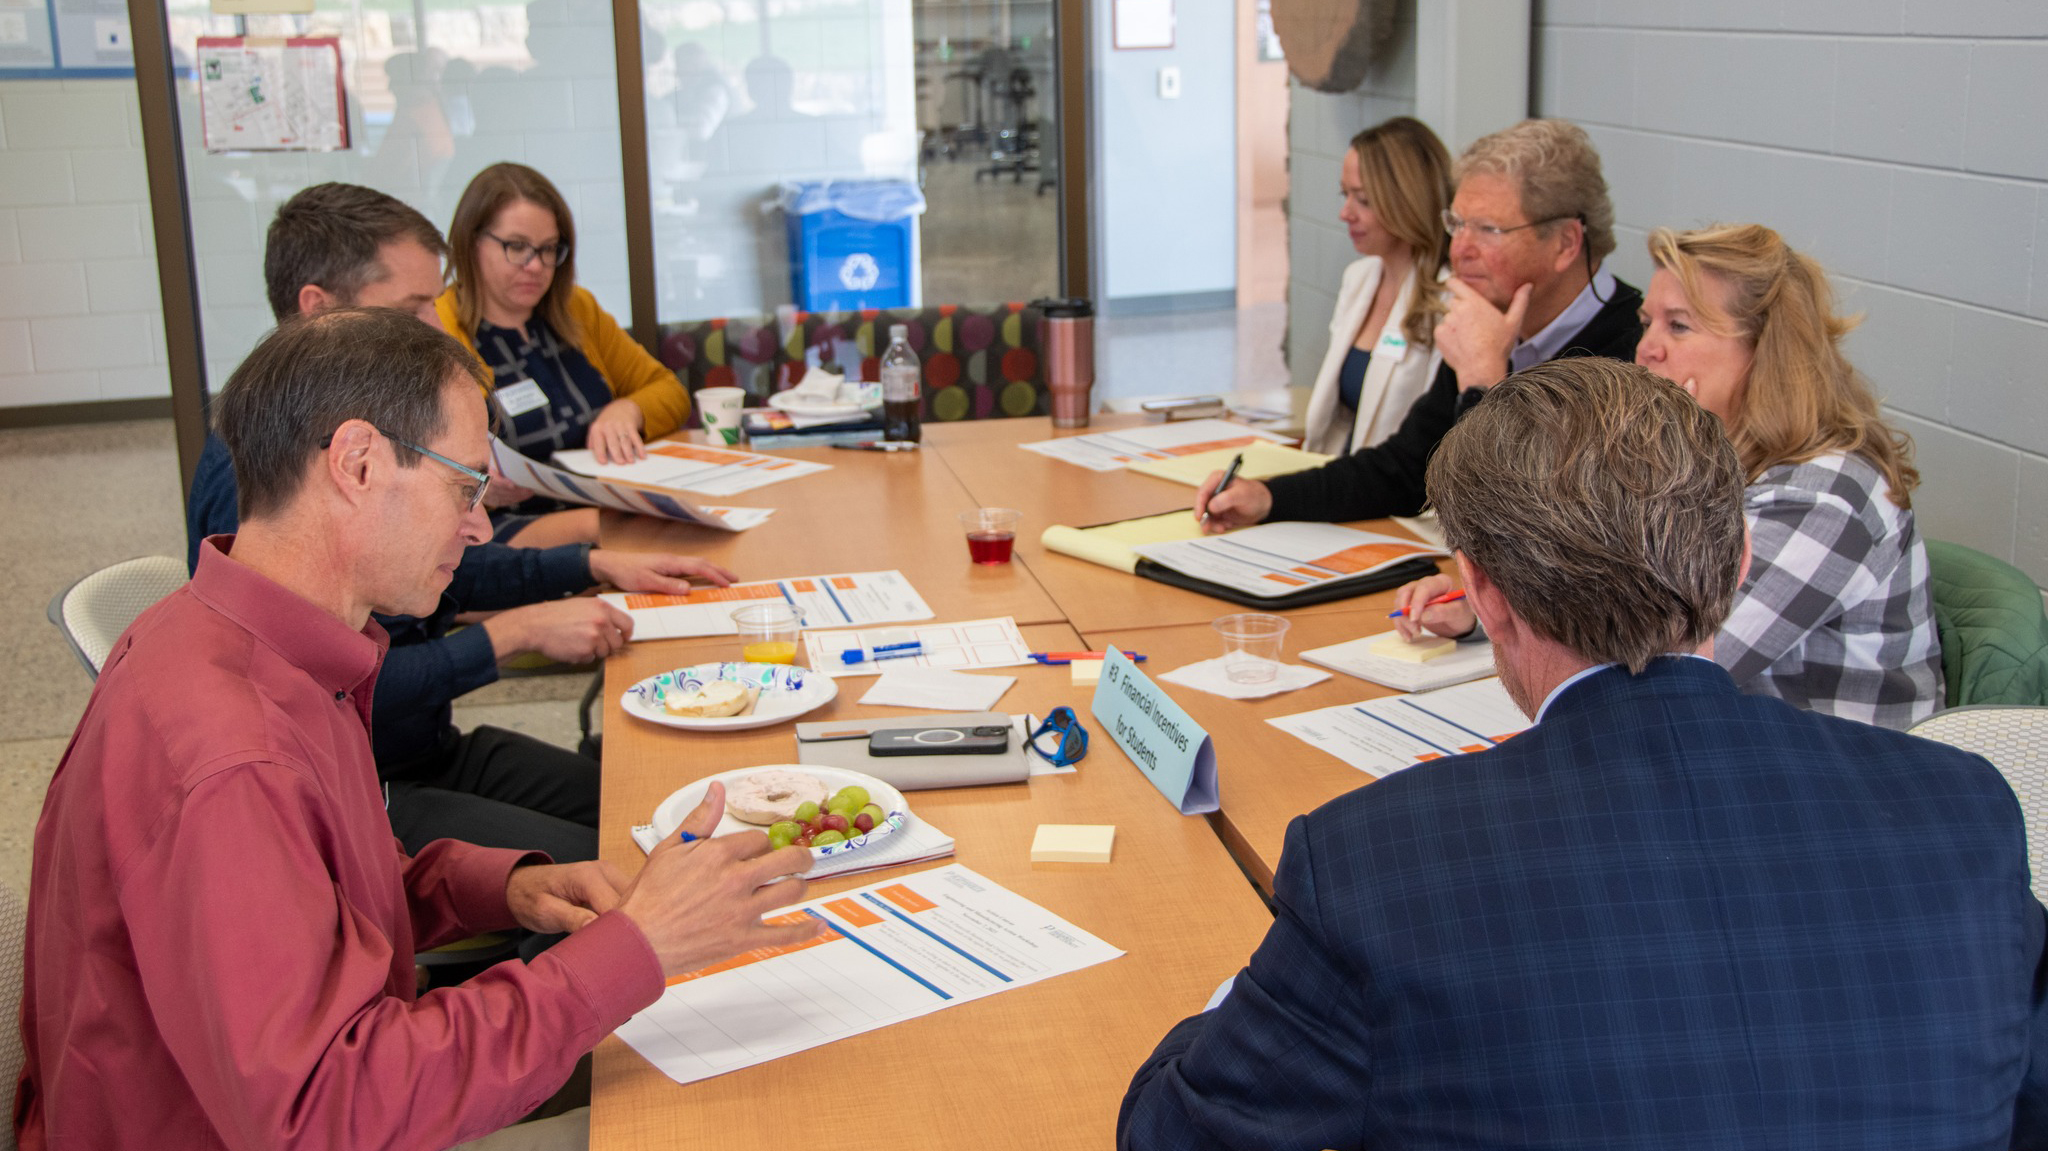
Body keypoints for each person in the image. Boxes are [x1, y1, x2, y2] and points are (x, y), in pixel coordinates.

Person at [1120, 358, 2048, 1150]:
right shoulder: (1965, 807)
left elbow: (1172, 1130)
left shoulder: (1379, 870)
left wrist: (1251, 992)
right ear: (1738, 563)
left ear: (1482, 593)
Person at [18, 307, 822, 1150]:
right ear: (359, 463)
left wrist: (493, 887)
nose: (477, 524)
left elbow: (316, 901)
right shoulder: (233, 753)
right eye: (464, 483)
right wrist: (638, 946)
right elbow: (327, 1112)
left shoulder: (237, 638)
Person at [185, 182, 733, 863]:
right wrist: (508, 636)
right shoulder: (269, 467)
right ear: (318, 309)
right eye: (413, 307)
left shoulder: (342, 426)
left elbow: (431, 565)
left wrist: (590, 564)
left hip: (427, 746)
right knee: (626, 863)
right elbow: (327, 691)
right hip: (366, 792)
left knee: (655, 805)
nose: (436, 325)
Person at [1393, 223, 1942, 728]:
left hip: (1832, 801)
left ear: (1766, 353)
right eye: (1647, 323)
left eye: (1679, 326)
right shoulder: (1711, 464)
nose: (1646, 348)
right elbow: (1609, 611)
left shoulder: (1828, 496)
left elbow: (1663, 661)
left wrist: (1518, 615)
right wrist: (1490, 608)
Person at [1196, 117, 1643, 530]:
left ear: (1565, 243)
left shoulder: (1636, 351)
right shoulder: (1493, 315)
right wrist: (1269, 497)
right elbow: (1408, 469)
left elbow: (1525, 524)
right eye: (1457, 224)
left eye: (1487, 230)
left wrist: (1483, 384)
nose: (1459, 249)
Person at [438, 162, 694, 548]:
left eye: (548, 249)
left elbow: (669, 390)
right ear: (471, 242)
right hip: (502, 534)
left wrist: (629, 410)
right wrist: (469, 489)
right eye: (517, 247)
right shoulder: (439, 326)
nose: (536, 266)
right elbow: (419, 468)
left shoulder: (576, 308)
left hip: (606, 508)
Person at [1301, 116, 1454, 456]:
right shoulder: (1359, 278)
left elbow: (1434, 445)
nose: (1345, 213)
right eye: (1346, 195)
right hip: (1344, 481)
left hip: (1403, 499)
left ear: (1408, 201)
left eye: (1363, 200)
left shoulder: (1449, 300)